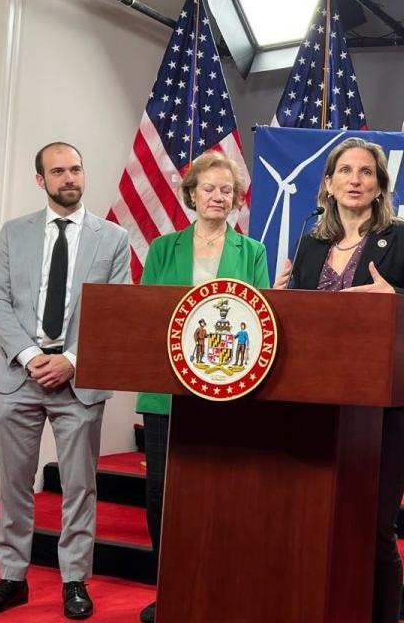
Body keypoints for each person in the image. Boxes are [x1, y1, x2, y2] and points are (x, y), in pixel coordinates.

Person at [273, 136, 404, 623]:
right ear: (327, 183)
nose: (355, 180)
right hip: (318, 406)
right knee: (320, 524)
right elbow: (302, 327)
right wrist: (282, 299)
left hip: (383, 410)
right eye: (345, 171)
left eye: (366, 172)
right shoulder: (310, 243)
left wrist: (397, 299)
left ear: (380, 185)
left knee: (373, 530)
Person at [0, 142, 130, 620]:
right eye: (58, 171)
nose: (69, 179)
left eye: (76, 169)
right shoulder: (13, 233)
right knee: (14, 483)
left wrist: (72, 360)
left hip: (78, 381)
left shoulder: (113, 238)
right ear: (41, 180)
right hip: (18, 376)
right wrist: (32, 355)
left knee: (80, 486)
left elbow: (116, 309)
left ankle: (75, 580)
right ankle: (11, 579)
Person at [135, 150, 269, 623]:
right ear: (191, 194)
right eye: (209, 188)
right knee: (160, 494)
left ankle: (219, 588)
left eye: (226, 190)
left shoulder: (252, 252)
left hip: (229, 393)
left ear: (235, 200)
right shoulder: (163, 249)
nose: (218, 196)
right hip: (167, 393)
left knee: (221, 495)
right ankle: (168, 588)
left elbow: (260, 325)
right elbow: (148, 317)